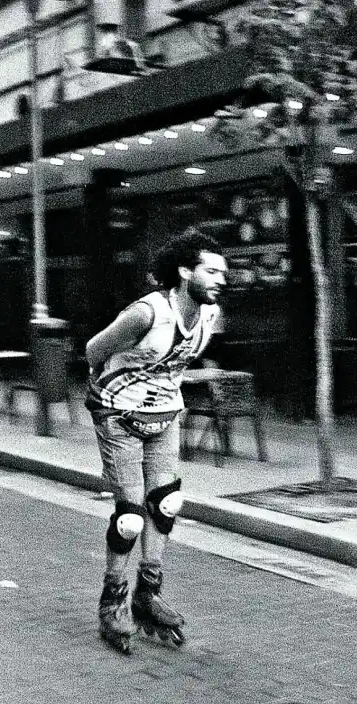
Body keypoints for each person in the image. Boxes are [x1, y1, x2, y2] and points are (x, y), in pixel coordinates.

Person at [85, 228, 227, 653]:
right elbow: (94, 350)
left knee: (166, 502)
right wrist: (121, 386)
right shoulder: (146, 314)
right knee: (129, 515)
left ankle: (147, 594)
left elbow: (178, 363)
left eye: (224, 272)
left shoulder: (209, 315)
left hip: (165, 413)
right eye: (211, 270)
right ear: (185, 271)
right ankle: (113, 601)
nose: (221, 279)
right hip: (119, 414)